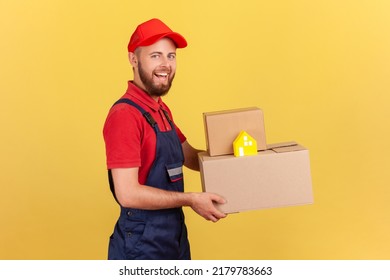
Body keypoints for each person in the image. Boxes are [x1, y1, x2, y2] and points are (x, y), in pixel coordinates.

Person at [103, 18, 227, 260]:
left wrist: (236, 161)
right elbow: (127, 193)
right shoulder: (125, 116)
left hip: (174, 235)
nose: (166, 64)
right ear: (133, 59)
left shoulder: (160, 109)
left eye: (171, 56)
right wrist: (191, 199)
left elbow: (189, 156)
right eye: (156, 56)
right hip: (141, 244)